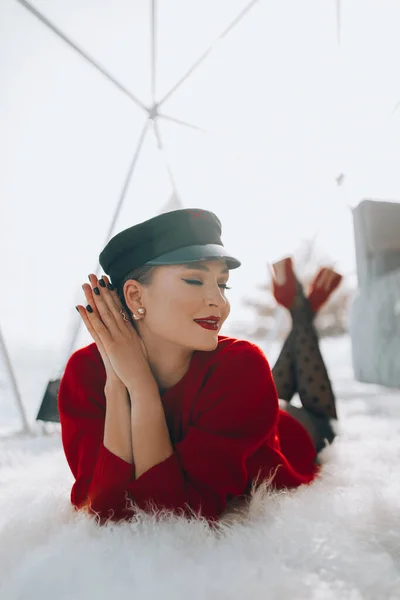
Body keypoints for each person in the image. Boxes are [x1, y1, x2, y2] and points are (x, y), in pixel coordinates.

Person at [58, 209, 341, 525]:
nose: (218, 302)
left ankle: (303, 311)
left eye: (223, 285)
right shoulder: (85, 373)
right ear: (135, 294)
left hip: (296, 430)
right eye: (194, 280)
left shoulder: (244, 365)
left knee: (321, 416)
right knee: (275, 378)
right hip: (248, 404)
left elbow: (177, 516)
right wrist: (117, 383)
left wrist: (141, 387)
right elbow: (102, 508)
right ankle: (302, 309)